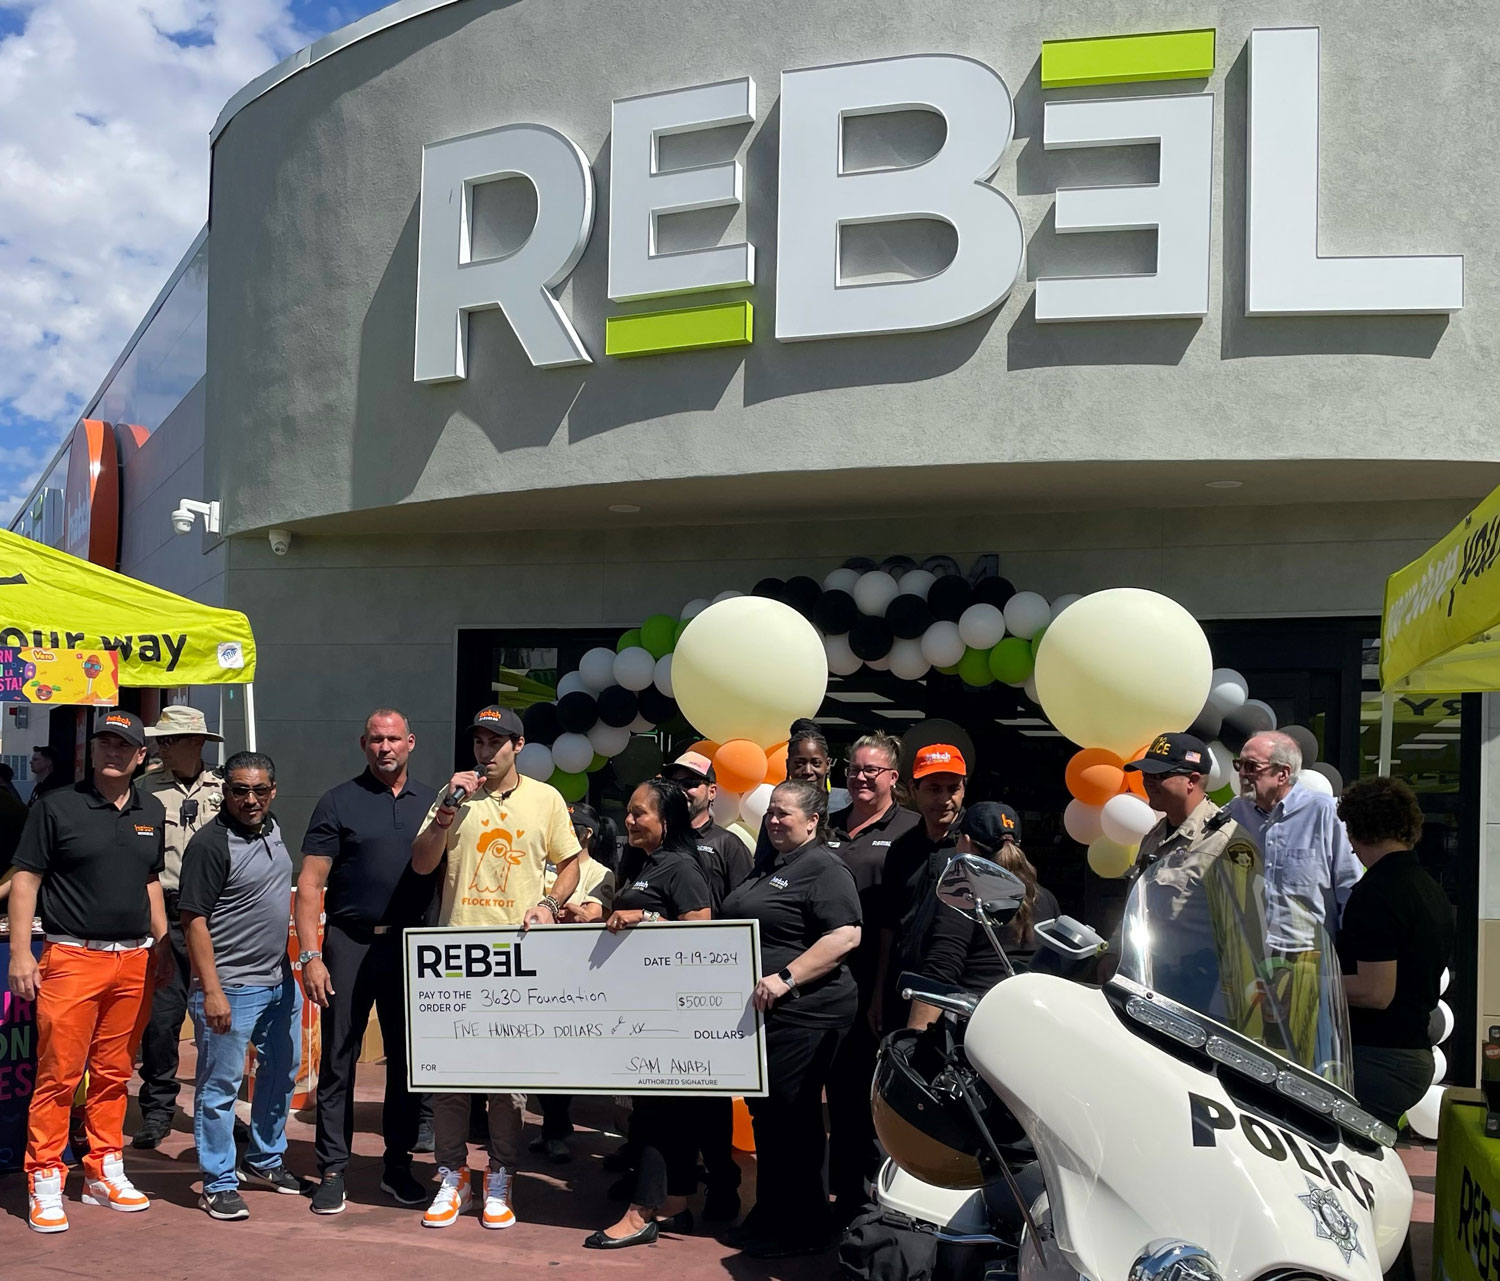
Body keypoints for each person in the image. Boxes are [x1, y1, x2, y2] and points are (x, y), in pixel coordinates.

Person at [410, 704, 582, 1231]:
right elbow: (422, 862)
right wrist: (446, 810)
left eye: (496, 742)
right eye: (479, 742)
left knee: (508, 1082)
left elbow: (570, 864)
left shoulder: (545, 799)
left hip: (516, 954)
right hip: (455, 953)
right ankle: (452, 1174)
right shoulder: (453, 796)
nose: (485, 752)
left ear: (518, 745)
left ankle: (501, 1174)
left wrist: (549, 904)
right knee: (450, 1079)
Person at [8, 711, 169, 1234]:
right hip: (72, 958)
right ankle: (45, 1179)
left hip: (135, 959)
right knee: (58, 1075)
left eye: (123, 745)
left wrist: (163, 944)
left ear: (141, 755)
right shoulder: (57, 806)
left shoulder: (151, 810)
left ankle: (103, 1170)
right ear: (92, 751)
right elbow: (26, 879)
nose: (113, 752)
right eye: (105, 743)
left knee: (114, 1073)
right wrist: (21, 953)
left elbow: (150, 881)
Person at [297, 709, 439, 1214]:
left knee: (405, 1062)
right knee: (339, 1060)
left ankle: (397, 1166)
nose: (385, 748)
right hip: (349, 943)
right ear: (364, 744)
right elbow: (310, 883)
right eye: (376, 739)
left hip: (410, 946)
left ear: (411, 742)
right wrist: (311, 956)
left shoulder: (434, 804)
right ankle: (333, 1169)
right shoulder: (338, 801)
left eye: (394, 739)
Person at [721, 780, 861, 1258]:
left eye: (784, 813)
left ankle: (803, 1227)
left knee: (792, 1119)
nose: (775, 820)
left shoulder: (824, 867)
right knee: (771, 1117)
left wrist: (786, 977)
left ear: (813, 821)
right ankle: (772, 1212)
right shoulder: (772, 862)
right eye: (771, 813)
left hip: (808, 1013)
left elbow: (846, 936)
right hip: (769, 1016)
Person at [583, 780, 712, 1249]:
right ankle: (676, 1204)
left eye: (640, 813)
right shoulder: (645, 863)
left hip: (670, 1014)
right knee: (660, 1113)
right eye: (629, 812)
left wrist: (646, 918)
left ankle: (641, 1214)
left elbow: (701, 931)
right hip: (641, 1007)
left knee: (659, 1115)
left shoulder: (682, 867)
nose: (630, 820)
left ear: (667, 820)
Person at [179, 751, 303, 1220]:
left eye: (259, 790)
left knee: (281, 1072)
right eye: (239, 791)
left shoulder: (273, 828)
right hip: (230, 986)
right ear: (224, 793)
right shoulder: (210, 845)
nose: (250, 800)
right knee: (220, 1088)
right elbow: (193, 920)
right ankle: (218, 1182)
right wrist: (211, 991)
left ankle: (265, 1159)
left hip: (278, 981)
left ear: (273, 791)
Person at [824, 730, 917, 1223]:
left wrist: (880, 990)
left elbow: (894, 920)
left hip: (875, 980)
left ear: (893, 777)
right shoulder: (827, 825)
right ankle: (840, 1195)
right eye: (855, 769)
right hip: (821, 980)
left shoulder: (910, 830)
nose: (860, 777)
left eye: (871, 770)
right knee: (838, 1094)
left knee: (872, 1095)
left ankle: (874, 1201)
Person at [661, 748, 751, 1220]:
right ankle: (665, 1184)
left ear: (712, 791)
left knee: (711, 1095)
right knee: (663, 1094)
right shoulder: (657, 840)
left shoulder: (729, 845)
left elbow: (744, 910)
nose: (682, 790)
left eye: (691, 782)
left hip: (711, 986)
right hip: (658, 986)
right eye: (674, 782)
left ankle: (722, 1185)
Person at [1335, 777, 1454, 1125]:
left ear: (1358, 830)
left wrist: (1308, 980)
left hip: (1379, 1057)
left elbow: (1375, 991)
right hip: (1411, 1052)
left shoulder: (1377, 892)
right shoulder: (1428, 887)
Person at [132, 705, 224, 1150]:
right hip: (164, 915)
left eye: (170, 740)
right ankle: (157, 1110)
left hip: (214, 919)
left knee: (218, 1020)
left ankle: (218, 1111)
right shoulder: (144, 790)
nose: (161, 748)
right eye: (159, 741)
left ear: (197, 742)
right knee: (161, 1021)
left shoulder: (225, 789)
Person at [1115, 733, 1262, 1009]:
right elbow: (1137, 908)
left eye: (1159, 776)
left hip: (1197, 997)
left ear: (1192, 781)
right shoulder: (1155, 836)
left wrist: (1221, 1009)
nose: (1148, 782)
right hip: (1147, 984)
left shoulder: (1228, 843)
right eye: (1146, 774)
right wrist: (1113, 953)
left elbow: (1246, 938)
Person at [908, 803, 1060, 1032]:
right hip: (1031, 1024)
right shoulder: (1045, 897)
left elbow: (942, 967)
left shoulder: (965, 894)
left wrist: (914, 1034)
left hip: (976, 1028)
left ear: (966, 842)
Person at [532, 802, 617, 1164]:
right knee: (539, 1056)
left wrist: (571, 911)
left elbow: (595, 914)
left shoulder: (600, 872)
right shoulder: (543, 867)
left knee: (561, 1057)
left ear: (586, 834)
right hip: (538, 969)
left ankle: (556, 1129)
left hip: (575, 976)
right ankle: (552, 1128)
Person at [1227, 731, 1361, 948]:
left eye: (1251, 766)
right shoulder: (1232, 814)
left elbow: (1350, 890)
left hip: (1309, 957)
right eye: (1238, 764)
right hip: (1247, 956)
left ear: (1283, 774)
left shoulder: (1324, 813)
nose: (1242, 773)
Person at [877, 743, 967, 1033]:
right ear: (914, 790)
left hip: (957, 997)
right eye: (934, 789)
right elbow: (889, 926)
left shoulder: (974, 847)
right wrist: (878, 992)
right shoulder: (901, 849)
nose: (945, 799)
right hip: (903, 988)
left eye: (953, 788)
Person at [787, 718, 851, 814]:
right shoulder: (776, 807)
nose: (808, 771)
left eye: (816, 763)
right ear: (788, 764)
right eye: (800, 763)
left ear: (828, 764)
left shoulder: (846, 803)